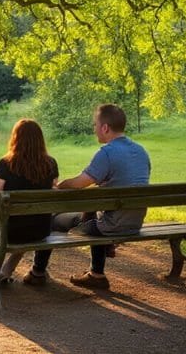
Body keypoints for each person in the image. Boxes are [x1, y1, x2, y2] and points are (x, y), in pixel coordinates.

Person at [47, 103, 152, 290]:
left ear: (105, 127)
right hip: (135, 223)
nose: (94, 129)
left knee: (55, 221)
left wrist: (59, 186)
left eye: (95, 125)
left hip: (112, 226)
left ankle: (40, 272)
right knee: (93, 214)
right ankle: (100, 261)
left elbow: (80, 183)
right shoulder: (141, 151)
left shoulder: (107, 153)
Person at [0, 118, 59, 285]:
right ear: (40, 140)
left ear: (15, 138)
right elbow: (54, 189)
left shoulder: (6, 164)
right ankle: (6, 270)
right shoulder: (50, 164)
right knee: (25, 222)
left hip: (7, 232)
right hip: (40, 230)